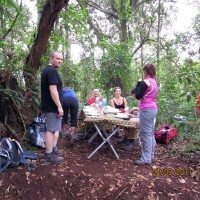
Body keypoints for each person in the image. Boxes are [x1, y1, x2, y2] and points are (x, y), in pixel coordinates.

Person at [132, 64, 158, 166]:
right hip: (153, 109)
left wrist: (139, 84)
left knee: (146, 134)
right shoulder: (154, 82)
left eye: (144, 71)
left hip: (146, 109)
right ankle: (150, 156)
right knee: (150, 133)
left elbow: (137, 95)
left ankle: (145, 159)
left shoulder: (145, 82)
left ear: (146, 72)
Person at [41, 50, 64, 163]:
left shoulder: (50, 70)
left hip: (51, 106)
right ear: (51, 58)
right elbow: (53, 90)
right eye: (57, 58)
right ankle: (49, 155)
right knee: (50, 130)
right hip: (52, 106)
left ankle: (53, 150)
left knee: (54, 129)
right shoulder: (51, 71)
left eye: (61, 59)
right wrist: (59, 107)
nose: (60, 61)